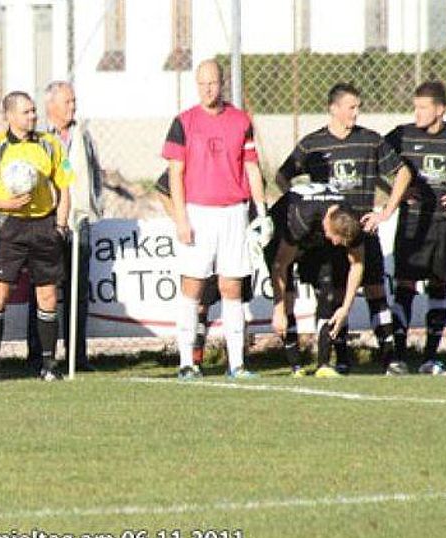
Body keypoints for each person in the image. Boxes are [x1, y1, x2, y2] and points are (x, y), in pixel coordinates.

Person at [276, 82, 412, 376]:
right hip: (328, 237)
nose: (355, 112)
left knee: (375, 290)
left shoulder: (370, 140)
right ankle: (341, 358)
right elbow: (282, 176)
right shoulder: (312, 144)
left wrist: (386, 211)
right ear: (333, 108)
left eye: (358, 107)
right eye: (351, 107)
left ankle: (389, 358)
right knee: (334, 294)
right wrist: (298, 202)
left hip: (361, 230)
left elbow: (402, 173)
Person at [162, 59, 269, 380]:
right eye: (202, 84)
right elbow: (175, 173)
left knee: (231, 286)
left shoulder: (241, 121)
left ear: (222, 84)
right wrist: (181, 218)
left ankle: (237, 364)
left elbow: (251, 168)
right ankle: (187, 362)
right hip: (198, 212)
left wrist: (261, 213)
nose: (208, 89)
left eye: (212, 83)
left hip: (234, 212)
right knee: (193, 285)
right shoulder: (183, 122)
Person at [0, 90, 72, 382]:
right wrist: (7, 204)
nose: (33, 116)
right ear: (10, 115)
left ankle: (49, 365)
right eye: (26, 112)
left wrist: (60, 225)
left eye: (33, 111)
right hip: (10, 226)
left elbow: (64, 187)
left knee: (48, 296)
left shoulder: (50, 144)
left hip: (44, 225)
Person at [385, 81, 446, 376]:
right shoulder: (402, 135)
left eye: (423, 107)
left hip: (445, 224)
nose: (417, 113)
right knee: (405, 286)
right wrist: (395, 192)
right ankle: (398, 358)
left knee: (439, 287)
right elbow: (373, 163)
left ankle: (431, 358)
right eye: (415, 107)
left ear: (440, 109)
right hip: (413, 223)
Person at [26, 81, 104, 373]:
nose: (73, 107)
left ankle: (76, 356)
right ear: (51, 105)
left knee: (77, 291)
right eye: (67, 102)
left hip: (78, 221)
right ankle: (38, 355)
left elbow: (95, 173)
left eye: (74, 101)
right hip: (45, 221)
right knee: (42, 289)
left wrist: (93, 208)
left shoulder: (83, 135)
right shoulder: (37, 137)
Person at [153, 170, 254, 367]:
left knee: (236, 297)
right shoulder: (194, 156)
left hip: (232, 235)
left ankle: (236, 362)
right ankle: (193, 360)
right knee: (199, 301)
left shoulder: (239, 157)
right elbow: (163, 189)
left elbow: (256, 185)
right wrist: (181, 220)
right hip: (203, 237)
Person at [265, 184, 366, 377]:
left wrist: (345, 308)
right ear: (327, 223)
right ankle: (295, 365)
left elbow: (357, 264)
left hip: (314, 239)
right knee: (287, 298)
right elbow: (280, 265)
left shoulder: (350, 218)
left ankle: (323, 364)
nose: (336, 243)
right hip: (282, 231)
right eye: (334, 237)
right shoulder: (302, 217)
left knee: (327, 289)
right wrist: (278, 309)